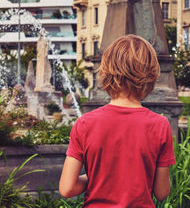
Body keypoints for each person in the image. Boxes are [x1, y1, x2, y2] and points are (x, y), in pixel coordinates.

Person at [59, 35, 175, 207]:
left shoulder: (85, 123)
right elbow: (161, 192)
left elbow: (67, 188)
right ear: (151, 75)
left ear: (105, 72)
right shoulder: (160, 125)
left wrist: (92, 178)